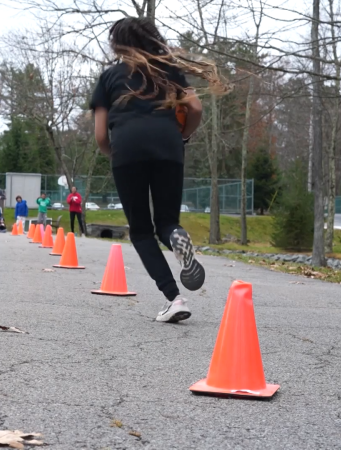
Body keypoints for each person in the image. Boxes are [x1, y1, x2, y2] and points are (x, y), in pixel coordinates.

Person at [90, 18, 224, 322]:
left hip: (127, 149)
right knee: (166, 221)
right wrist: (183, 136)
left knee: (140, 230)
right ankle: (176, 235)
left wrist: (116, 153)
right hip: (168, 146)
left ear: (118, 44)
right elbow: (197, 108)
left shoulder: (109, 77)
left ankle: (174, 298)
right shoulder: (169, 72)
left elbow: (100, 135)